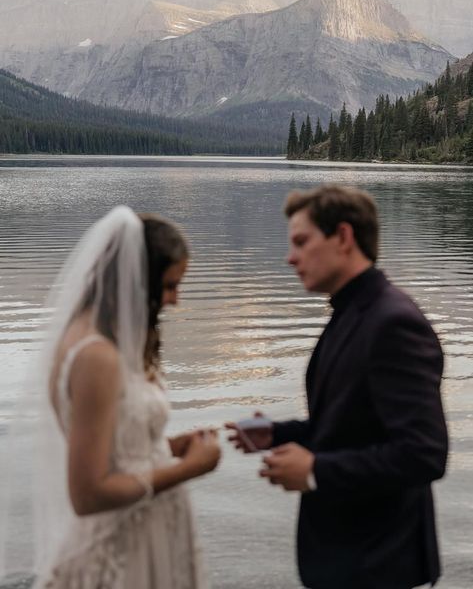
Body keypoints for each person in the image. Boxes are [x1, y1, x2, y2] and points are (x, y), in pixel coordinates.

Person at [228, 185, 448, 589]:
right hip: (349, 560)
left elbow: (424, 454)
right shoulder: (353, 311)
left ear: (343, 237)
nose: (290, 257)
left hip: (379, 564)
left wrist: (315, 471)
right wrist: (278, 434)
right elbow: (349, 426)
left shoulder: (393, 323)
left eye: (301, 242)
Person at [6, 206, 221, 588]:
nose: (176, 300)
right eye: (170, 286)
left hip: (148, 526)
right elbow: (88, 493)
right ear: (139, 281)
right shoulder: (97, 356)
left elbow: (114, 450)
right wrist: (191, 467)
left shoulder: (92, 337)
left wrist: (169, 447)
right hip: (123, 542)